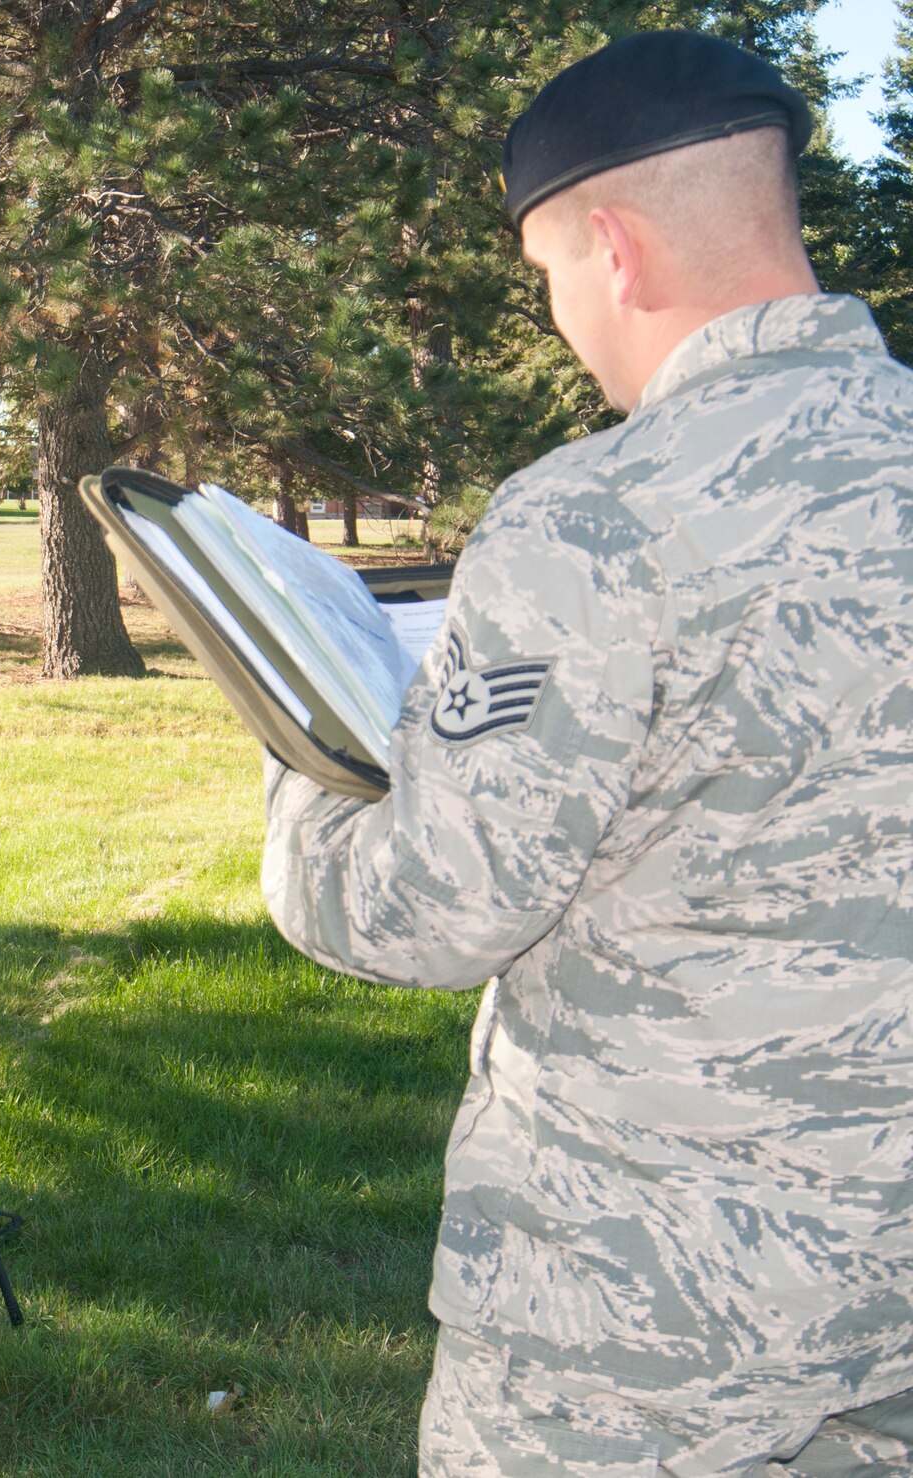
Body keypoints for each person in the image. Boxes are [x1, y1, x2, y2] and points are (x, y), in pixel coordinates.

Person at [260, 29, 913, 1475]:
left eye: (550, 278)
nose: (562, 317)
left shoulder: (596, 513)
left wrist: (298, 769)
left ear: (612, 249)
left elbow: (430, 906)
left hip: (645, 1303)